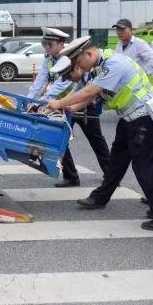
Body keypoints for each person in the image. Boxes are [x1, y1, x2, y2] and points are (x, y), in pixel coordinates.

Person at [47, 37, 153, 231]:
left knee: (148, 168)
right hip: (131, 118)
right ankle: (101, 197)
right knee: (117, 161)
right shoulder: (102, 64)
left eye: (78, 62)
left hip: (145, 118)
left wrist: (60, 103)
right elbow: (92, 95)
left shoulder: (113, 65)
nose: (79, 67)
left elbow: (90, 91)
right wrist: (70, 108)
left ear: (89, 54)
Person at [28, 28, 110, 186]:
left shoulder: (72, 56)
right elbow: (40, 82)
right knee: (61, 139)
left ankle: (111, 176)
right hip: (64, 105)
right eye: (44, 44)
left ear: (60, 43)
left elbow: (62, 85)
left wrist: (45, 103)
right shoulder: (49, 58)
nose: (46, 48)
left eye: (49, 45)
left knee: (96, 140)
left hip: (83, 103)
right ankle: (71, 176)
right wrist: (28, 101)